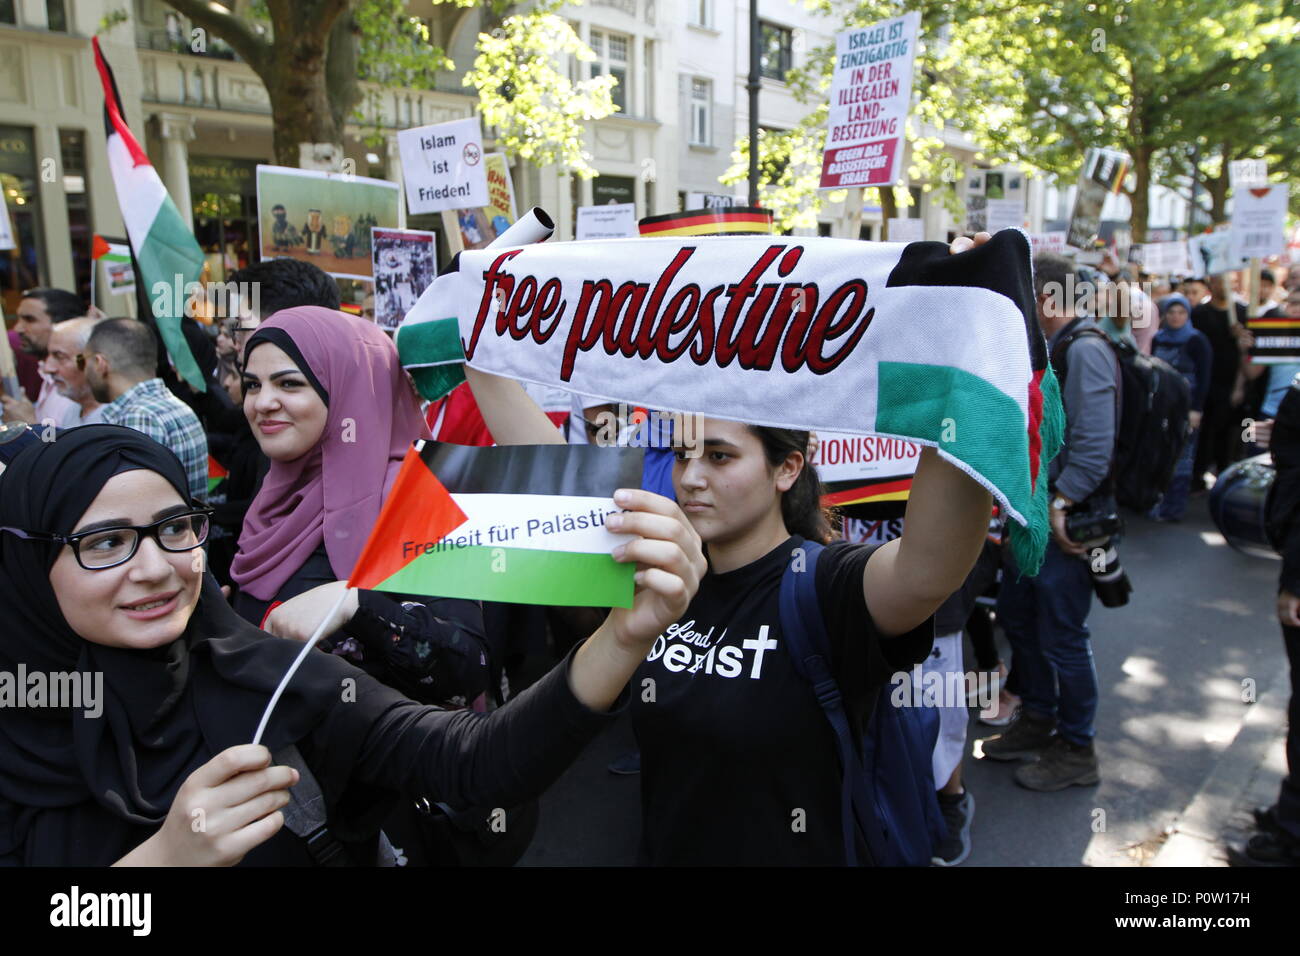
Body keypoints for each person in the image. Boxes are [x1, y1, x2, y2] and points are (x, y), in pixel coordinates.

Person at [0, 425, 704, 866]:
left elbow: (475, 761)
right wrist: (165, 860)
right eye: (106, 543)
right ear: (29, 567)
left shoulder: (267, 677)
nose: (154, 568)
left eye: (176, 528)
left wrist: (625, 635)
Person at [229, 307, 487, 706]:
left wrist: (357, 605)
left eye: (289, 384)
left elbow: (467, 666)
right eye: (252, 384)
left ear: (350, 389)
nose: (262, 403)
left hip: (390, 758)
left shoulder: (413, 501)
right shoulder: (277, 493)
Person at [981, 251, 1116, 791]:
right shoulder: (1056, 347)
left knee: (1062, 635)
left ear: (1046, 298)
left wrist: (1060, 504)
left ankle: (1077, 747)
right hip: (1034, 519)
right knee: (1020, 620)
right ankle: (1038, 719)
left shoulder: (1086, 351)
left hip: (1065, 524)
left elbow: (1093, 449)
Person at [83, 318, 208, 502]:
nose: (84, 370)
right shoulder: (172, 405)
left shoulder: (138, 416)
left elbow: (135, 502)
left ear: (100, 363)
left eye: (83, 361)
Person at [1149, 294, 1212, 521]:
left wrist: (1197, 409)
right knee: (1161, 456)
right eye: (1172, 312)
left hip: (1186, 408)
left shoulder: (1196, 340)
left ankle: (1175, 508)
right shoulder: (1159, 338)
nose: (1176, 317)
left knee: (1183, 458)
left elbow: (1204, 377)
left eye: (1181, 313)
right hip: (1163, 407)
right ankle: (1159, 502)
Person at [1191, 273, 1250, 490]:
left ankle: (1223, 478)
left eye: (1230, 283)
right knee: (1202, 433)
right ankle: (1196, 477)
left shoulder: (1243, 313)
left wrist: (1239, 386)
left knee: (1227, 434)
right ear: (1212, 285)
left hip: (1230, 383)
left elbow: (1248, 353)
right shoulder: (1199, 313)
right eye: (1221, 282)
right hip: (1205, 382)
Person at [2, 287, 84, 427]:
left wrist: (29, 425)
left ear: (62, 324)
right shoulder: (50, 381)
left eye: (29, 320)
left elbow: (67, 447)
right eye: (19, 319)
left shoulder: (78, 387)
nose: (18, 329)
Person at [37, 317, 105, 426]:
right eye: (48, 356)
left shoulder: (118, 417)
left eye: (60, 356)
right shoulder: (73, 410)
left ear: (95, 362)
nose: (47, 368)